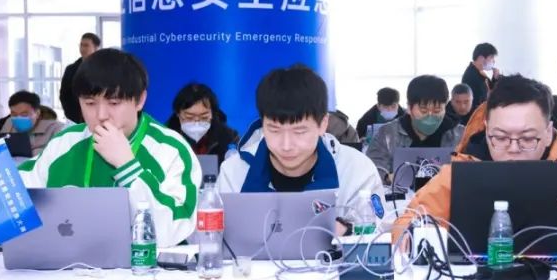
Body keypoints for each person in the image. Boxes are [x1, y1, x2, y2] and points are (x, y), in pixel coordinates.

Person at [19, 48, 201, 248]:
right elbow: (16, 192)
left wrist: (127, 165)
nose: (101, 115)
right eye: (90, 103)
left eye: (114, 103)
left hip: (144, 266)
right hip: (67, 264)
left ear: (140, 100)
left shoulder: (170, 150)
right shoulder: (65, 142)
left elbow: (172, 230)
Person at [394, 75, 557, 233]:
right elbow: (406, 223)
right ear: (487, 129)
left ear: (548, 133)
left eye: (527, 139)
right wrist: (419, 232)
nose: (513, 149)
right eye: (500, 137)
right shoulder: (460, 173)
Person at [218, 65, 385, 221]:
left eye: (299, 132)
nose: (286, 145)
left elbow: (378, 232)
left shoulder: (356, 170)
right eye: (274, 130)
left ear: (323, 124)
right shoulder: (235, 172)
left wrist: (346, 229)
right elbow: (215, 236)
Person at [367, 75, 464, 178]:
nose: (430, 116)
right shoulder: (387, 134)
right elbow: (372, 171)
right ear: (409, 107)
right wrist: (388, 178)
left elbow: (470, 171)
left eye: (437, 110)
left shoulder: (461, 135)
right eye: (423, 110)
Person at [165, 82, 240, 169]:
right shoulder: (165, 138)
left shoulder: (229, 138)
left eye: (204, 117)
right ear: (178, 114)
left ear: (212, 114)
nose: (196, 123)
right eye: (189, 117)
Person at [0, 90, 66, 156]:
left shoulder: (57, 128)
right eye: (14, 114)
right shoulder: (9, 122)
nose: (18, 118)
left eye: (24, 114)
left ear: (37, 113)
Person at [59, 32, 101, 123]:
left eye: (86, 45)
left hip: (100, 116)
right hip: (77, 117)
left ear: (96, 48)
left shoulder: (104, 68)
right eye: (81, 45)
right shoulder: (71, 69)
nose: (82, 48)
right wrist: (72, 115)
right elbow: (64, 94)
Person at [461, 43, 499, 109]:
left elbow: (491, 88)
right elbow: (484, 98)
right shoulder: (471, 76)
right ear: (481, 58)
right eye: (491, 57)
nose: (494, 61)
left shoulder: (480, 72)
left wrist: (495, 78)